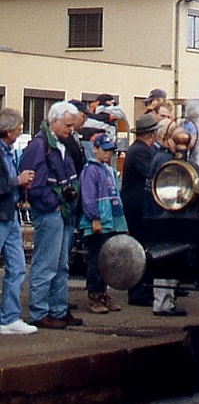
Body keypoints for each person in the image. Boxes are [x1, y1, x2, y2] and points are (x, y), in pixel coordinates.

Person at [18, 101, 83, 329]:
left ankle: (58, 309)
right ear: (53, 121)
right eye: (67, 125)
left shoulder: (59, 143)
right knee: (46, 263)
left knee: (61, 264)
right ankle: (39, 312)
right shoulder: (40, 145)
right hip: (51, 211)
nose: (71, 129)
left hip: (62, 210)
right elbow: (33, 183)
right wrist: (52, 204)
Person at [146, 119, 194, 317]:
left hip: (162, 214)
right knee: (165, 257)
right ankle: (163, 303)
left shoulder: (162, 158)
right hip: (163, 214)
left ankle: (166, 301)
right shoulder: (164, 161)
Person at [78, 133, 127, 314]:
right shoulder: (90, 170)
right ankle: (95, 296)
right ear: (96, 149)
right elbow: (88, 197)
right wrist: (94, 218)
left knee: (106, 260)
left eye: (111, 151)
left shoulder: (108, 170)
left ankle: (103, 294)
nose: (108, 154)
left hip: (110, 221)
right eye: (105, 150)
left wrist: (120, 222)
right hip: (98, 221)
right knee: (96, 259)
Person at [0, 109, 38, 335]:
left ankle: (9, 317)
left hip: (10, 215)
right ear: (7, 131)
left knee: (17, 267)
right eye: (17, 129)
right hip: (2, 215)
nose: (19, 132)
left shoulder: (9, 152)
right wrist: (18, 180)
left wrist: (21, 186)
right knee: (15, 267)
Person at [121, 113, 161, 307]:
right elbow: (152, 174)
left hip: (137, 206)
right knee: (140, 248)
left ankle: (143, 290)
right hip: (137, 207)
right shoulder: (140, 152)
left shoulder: (139, 150)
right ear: (152, 134)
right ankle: (138, 292)